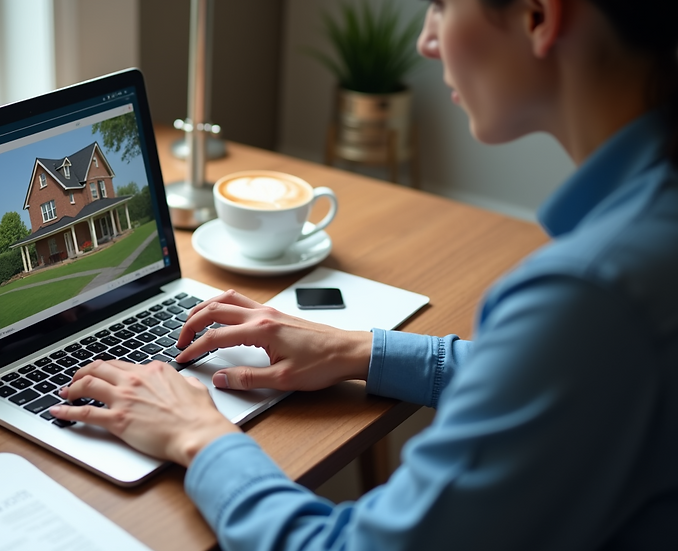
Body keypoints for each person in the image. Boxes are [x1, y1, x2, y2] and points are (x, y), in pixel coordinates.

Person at [51, 0, 678, 547]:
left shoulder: (590, 296)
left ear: (539, 16)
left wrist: (197, 434)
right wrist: (360, 350)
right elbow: (552, 377)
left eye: (441, 4)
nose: (426, 40)